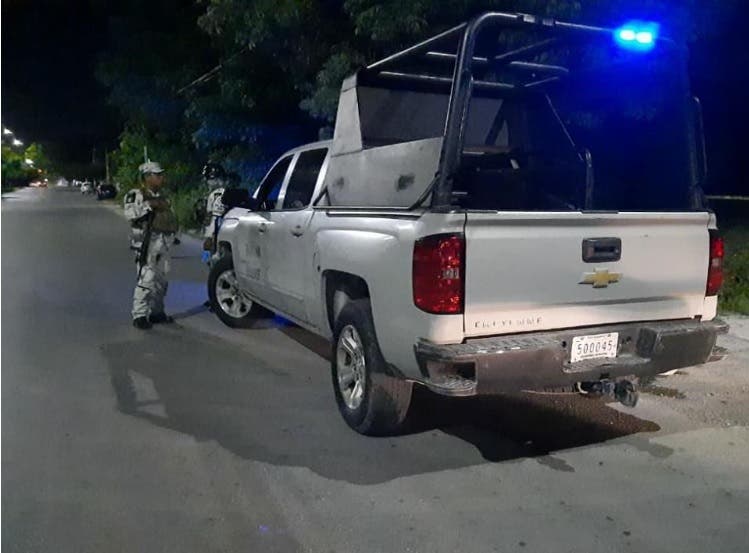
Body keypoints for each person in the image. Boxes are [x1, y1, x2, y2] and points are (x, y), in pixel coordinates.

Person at [124, 161, 179, 330]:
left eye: (161, 174)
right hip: (146, 243)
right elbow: (131, 215)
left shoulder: (164, 196)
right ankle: (139, 314)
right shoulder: (136, 195)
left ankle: (157, 312)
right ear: (147, 177)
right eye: (157, 175)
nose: (161, 178)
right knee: (146, 279)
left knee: (162, 282)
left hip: (163, 243)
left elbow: (171, 218)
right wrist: (150, 206)